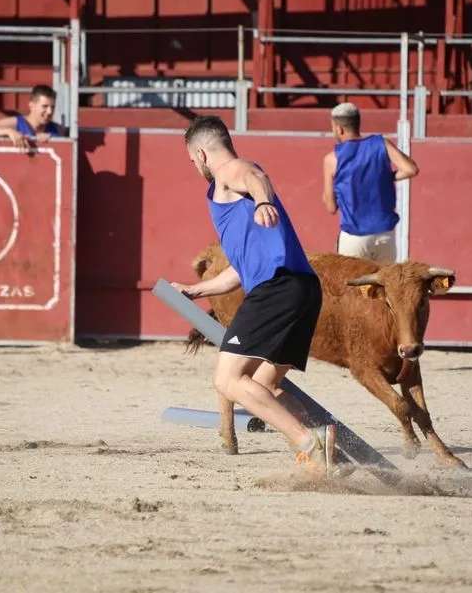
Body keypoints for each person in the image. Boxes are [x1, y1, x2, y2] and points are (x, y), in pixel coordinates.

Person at [170, 115, 337, 477]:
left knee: (227, 381)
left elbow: (255, 177)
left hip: (276, 290)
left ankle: (308, 443)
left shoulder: (232, 171)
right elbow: (239, 271)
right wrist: (196, 289)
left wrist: (263, 201)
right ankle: (326, 439)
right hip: (303, 289)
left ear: (201, 153)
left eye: (192, 161)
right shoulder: (233, 202)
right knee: (262, 385)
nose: (195, 167)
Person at [322, 102, 419, 263]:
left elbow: (331, 207)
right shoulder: (381, 143)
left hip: (354, 237)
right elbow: (411, 169)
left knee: (352, 287)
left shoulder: (332, 159)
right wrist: (385, 177)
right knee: (383, 286)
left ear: (338, 128)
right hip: (385, 235)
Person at [0, 84, 65, 152]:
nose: (49, 112)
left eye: (52, 107)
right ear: (32, 106)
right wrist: (9, 131)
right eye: (44, 106)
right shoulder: (16, 123)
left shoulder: (58, 129)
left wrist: (52, 138)